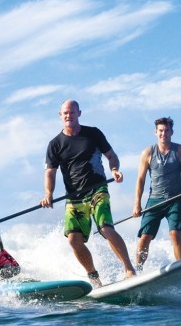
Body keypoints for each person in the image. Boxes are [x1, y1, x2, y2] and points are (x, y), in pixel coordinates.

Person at [40, 100, 136, 286]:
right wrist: (48, 194)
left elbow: (111, 156)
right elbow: (50, 172)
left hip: (97, 190)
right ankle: (94, 278)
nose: (69, 116)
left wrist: (114, 170)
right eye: (65, 113)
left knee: (105, 228)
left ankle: (129, 269)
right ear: (60, 115)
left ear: (79, 113)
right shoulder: (55, 144)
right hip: (74, 198)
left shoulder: (93, 133)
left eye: (72, 112)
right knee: (73, 240)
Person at [132, 116, 181, 269]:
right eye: (160, 131)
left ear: (171, 132)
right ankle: (136, 271)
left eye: (166, 130)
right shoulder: (148, 152)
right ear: (155, 132)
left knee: (175, 234)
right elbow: (140, 179)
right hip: (154, 200)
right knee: (145, 237)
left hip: (175, 199)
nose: (163, 133)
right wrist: (137, 205)